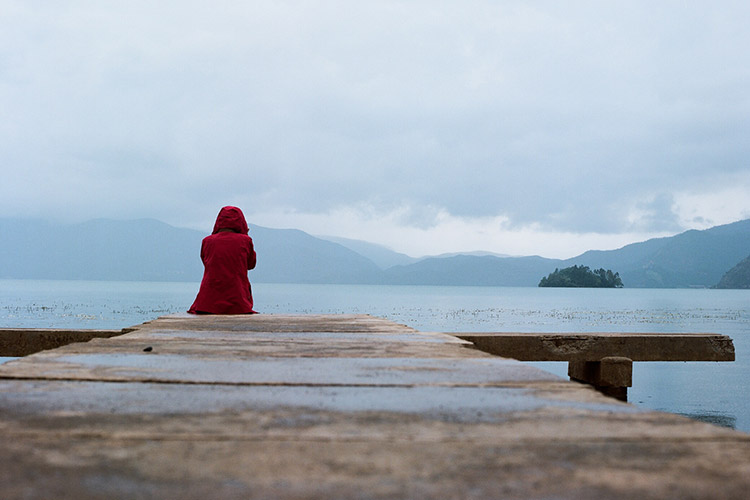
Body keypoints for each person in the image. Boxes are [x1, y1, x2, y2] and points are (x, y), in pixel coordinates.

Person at [188, 206, 257, 314]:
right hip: (238, 301)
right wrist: (245, 235)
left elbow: (206, 262)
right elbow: (251, 265)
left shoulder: (207, 241)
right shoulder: (245, 240)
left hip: (207, 302)